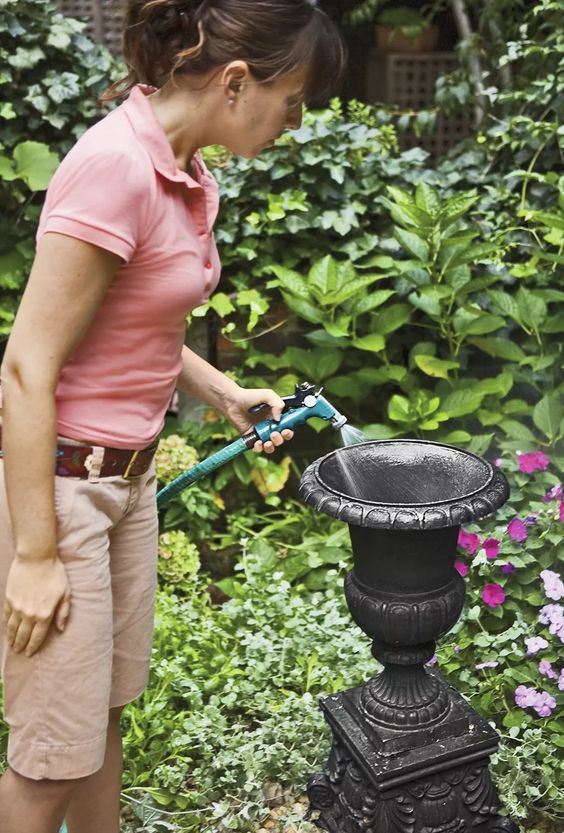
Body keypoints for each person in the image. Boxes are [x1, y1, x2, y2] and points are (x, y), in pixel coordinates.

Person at [0, 1, 346, 831]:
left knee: (105, 717)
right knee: (51, 759)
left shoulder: (187, 173)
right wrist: (36, 551)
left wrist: (222, 392)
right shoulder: (115, 165)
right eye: (294, 100)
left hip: (130, 480)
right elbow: (24, 366)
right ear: (236, 81)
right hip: (64, 491)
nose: (296, 123)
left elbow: (137, 323)